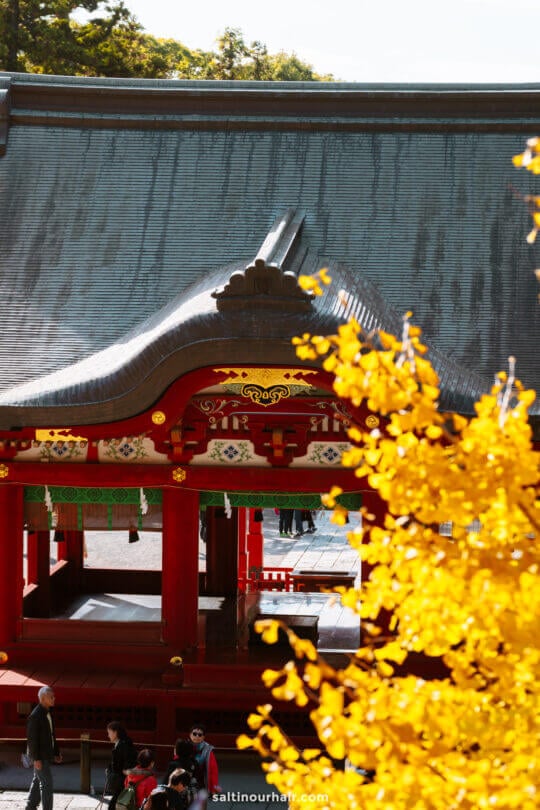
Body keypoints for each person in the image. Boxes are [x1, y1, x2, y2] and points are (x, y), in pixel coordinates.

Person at [25, 686, 62, 810]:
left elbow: (52, 735)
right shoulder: (35, 715)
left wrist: (56, 752)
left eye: (53, 696)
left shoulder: (48, 712)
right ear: (42, 698)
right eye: (51, 697)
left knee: (37, 781)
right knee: (47, 784)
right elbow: (32, 739)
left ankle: (30, 807)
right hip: (39, 755)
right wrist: (36, 759)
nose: (54, 698)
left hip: (46, 754)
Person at [105, 720, 137, 810]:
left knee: (114, 805)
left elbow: (128, 761)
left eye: (109, 733)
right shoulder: (120, 743)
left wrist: (124, 770)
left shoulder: (124, 744)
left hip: (124, 781)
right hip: (121, 780)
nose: (108, 735)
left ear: (115, 732)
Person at [189, 724, 221, 796]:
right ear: (190, 735)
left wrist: (214, 787)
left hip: (201, 779)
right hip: (186, 777)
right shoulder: (183, 746)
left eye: (200, 735)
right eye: (194, 734)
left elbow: (213, 770)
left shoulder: (208, 750)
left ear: (203, 737)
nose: (197, 736)